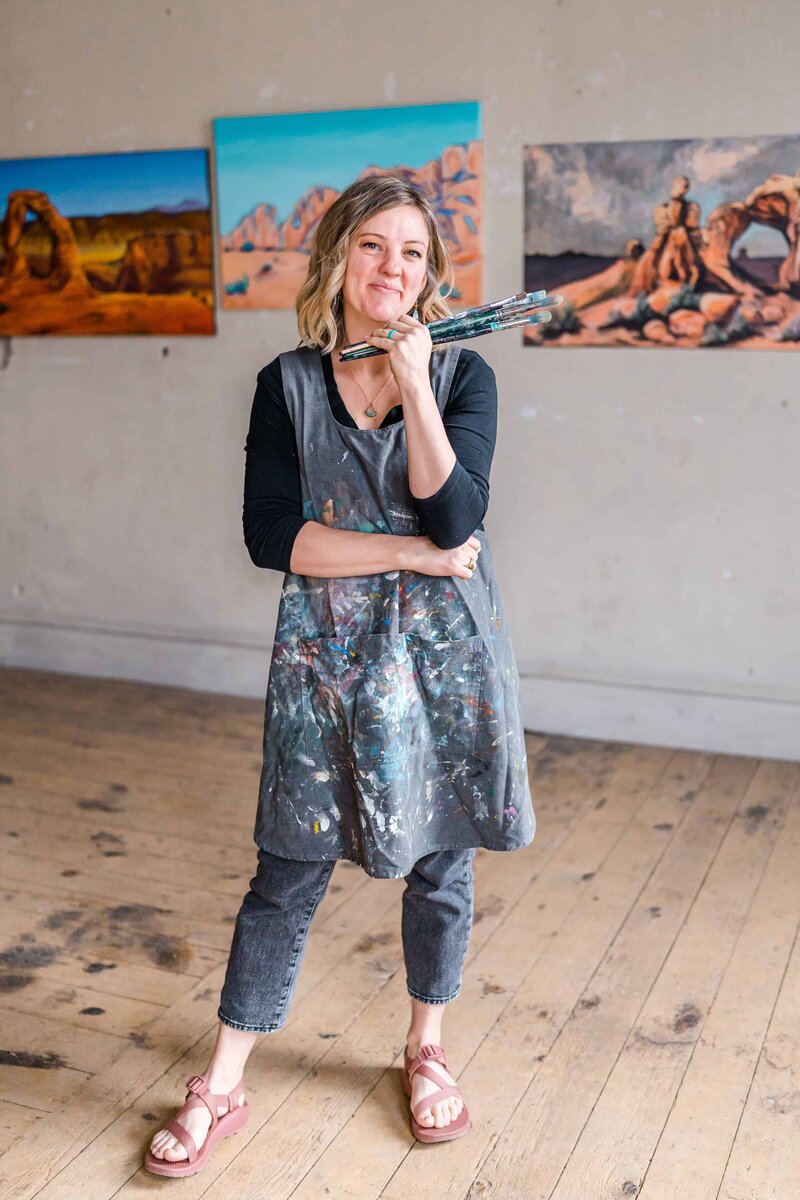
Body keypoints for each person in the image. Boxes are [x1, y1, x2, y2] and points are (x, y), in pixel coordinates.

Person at [144, 175, 535, 1177]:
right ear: (337, 259)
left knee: (441, 859)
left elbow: (454, 517)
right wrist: (404, 555)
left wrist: (413, 385)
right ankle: (222, 1084)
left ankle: (426, 1049)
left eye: (411, 252)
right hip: (326, 658)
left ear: (429, 274)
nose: (391, 269)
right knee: (287, 865)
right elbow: (273, 537)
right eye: (372, 247)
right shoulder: (286, 385)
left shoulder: (462, 378)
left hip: (445, 659)